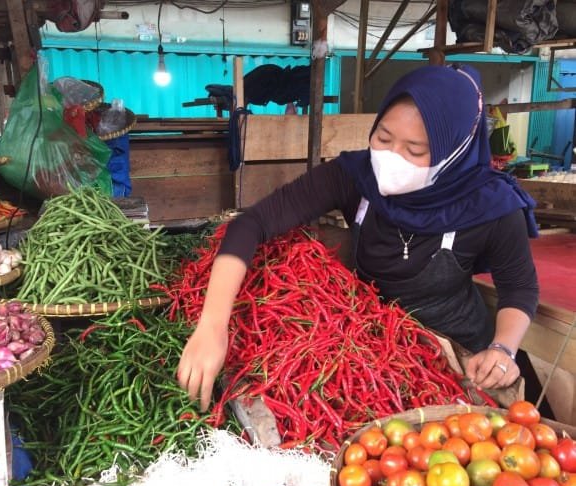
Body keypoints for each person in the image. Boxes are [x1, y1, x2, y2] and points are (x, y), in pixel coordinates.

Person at [177, 64, 539, 412]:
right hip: (375, 347)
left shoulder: (493, 205)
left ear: (454, 151)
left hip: (459, 357)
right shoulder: (354, 175)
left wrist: (503, 349)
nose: (390, 156)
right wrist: (212, 326)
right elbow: (251, 224)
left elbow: (519, 288)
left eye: (415, 150)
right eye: (383, 137)